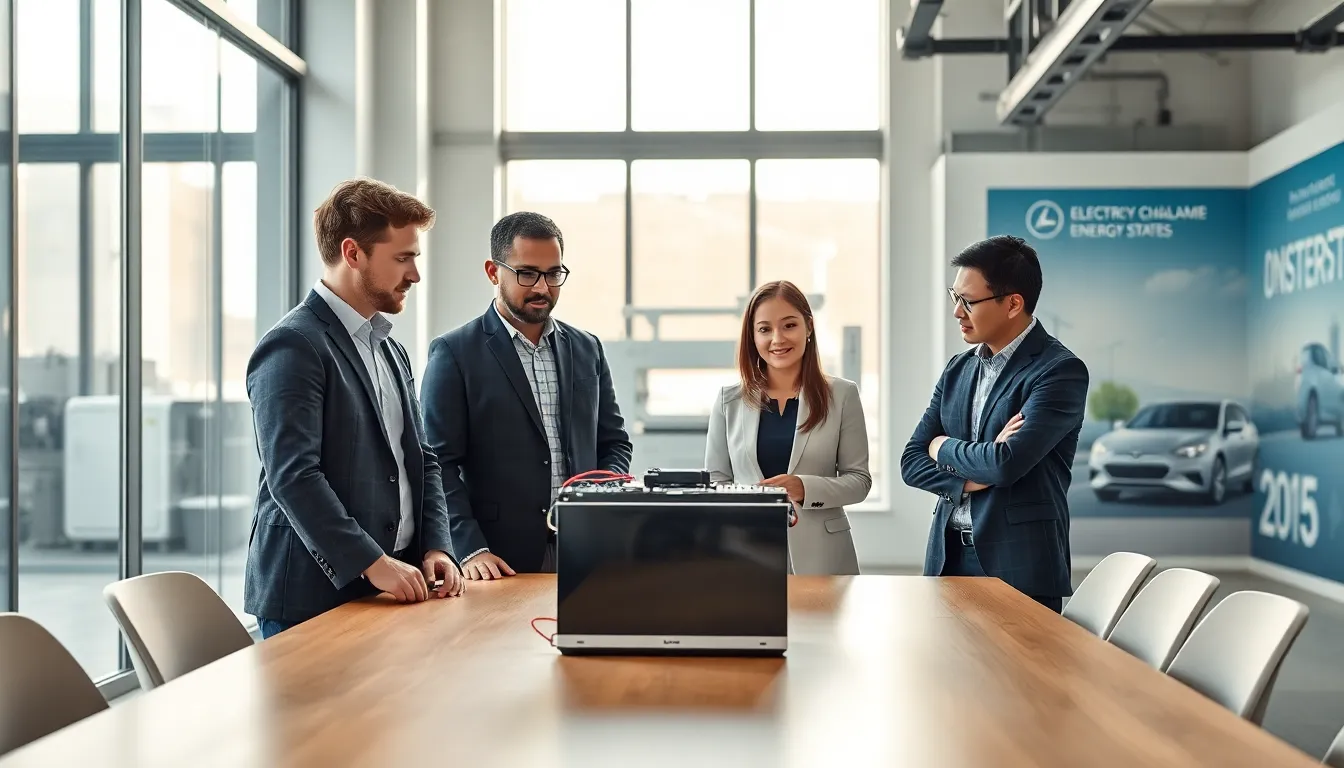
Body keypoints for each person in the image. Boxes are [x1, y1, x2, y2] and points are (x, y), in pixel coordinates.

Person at [244, 178, 464, 639]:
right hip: (313, 599)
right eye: (403, 258)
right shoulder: (293, 345)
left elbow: (422, 460)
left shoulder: (389, 348)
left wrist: (436, 547)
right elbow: (293, 476)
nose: (415, 275)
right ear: (353, 253)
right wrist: (371, 562)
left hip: (393, 586)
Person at [420, 211, 632, 579]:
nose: (542, 288)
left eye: (553, 274)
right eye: (527, 273)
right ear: (493, 272)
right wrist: (470, 548)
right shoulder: (454, 353)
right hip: (496, 560)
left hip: (586, 548)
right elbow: (438, 464)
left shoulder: (587, 348)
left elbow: (614, 442)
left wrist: (598, 498)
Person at [900, 235, 1088, 613]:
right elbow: (910, 461)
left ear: (1013, 303)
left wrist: (941, 446)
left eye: (968, 301)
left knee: (1020, 675)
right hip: (947, 558)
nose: (957, 312)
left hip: (1020, 566)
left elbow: (1005, 463)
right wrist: (970, 475)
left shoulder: (1059, 371)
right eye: (954, 297)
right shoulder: (958, 369)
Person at [704, 281, 871, 575]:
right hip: (746, 554)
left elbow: (859, 481)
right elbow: (716, 482)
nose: (777, 339)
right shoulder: (727, 401)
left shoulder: (843, 395)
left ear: (809, 327)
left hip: (824, 558)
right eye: (765, 329)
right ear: (752, 337)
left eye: (789, 325)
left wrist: (804, 487)